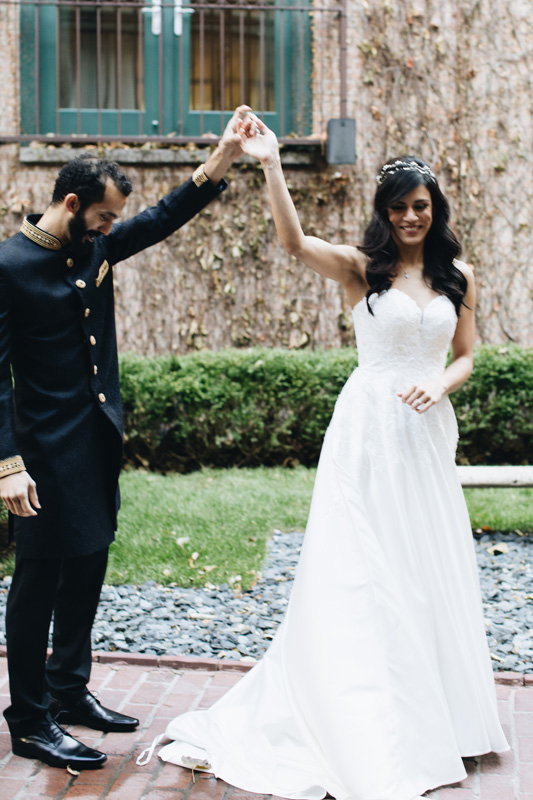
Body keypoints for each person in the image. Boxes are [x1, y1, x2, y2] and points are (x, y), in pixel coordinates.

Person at [147, 117, 509, 800]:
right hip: (367, 428)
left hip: (425, 434)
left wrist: (438, 382)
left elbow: (465, 356)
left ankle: (439, 715)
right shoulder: (358, 268)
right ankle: (365, 708)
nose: (409, 216)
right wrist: (271, 164)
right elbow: (290, 241)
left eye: (419, 205)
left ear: (435, 209)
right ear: (383, 213)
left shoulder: (458, 273)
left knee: (423, 560)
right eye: (398, 206)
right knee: (363, 562)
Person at [0, 105, 249, 771]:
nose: (111, 228)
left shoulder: (94, 247)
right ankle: (28, 719)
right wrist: (7, 464)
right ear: (73, 202)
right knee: (37, 584)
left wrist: (222, 156)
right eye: (104, 216)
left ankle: (68, 690)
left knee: (88, 567)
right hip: (41, 454)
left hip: (95, 443)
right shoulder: (10, 265)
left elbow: (162, 216)